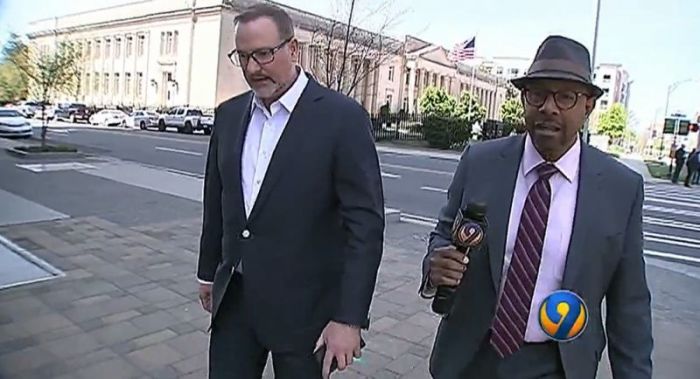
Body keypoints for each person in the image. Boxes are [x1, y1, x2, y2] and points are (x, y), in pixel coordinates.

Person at [420, 35, 653, 379]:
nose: (549, 107)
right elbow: (443, 235)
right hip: (469, 358)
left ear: (588, 105)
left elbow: (629, 305)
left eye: (566, 96)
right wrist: (435, 265)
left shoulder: (621, 189)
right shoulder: (480, 161)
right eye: (537, 94)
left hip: (557, 365)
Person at [196, 4, 385, 378]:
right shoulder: (229, 115)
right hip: (235, 301)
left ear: (293, 49)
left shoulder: (342, 119)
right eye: (243, 57)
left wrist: (348, 319)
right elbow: (218, 201)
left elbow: (365, 227)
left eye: (264, 54)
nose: (253, 68)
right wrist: (208, 272)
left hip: (307, 314)